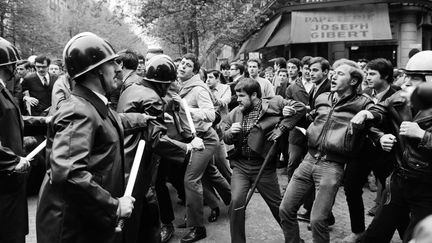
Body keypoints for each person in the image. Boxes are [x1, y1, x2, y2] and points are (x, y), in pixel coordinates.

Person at [36, 32, 155, 243]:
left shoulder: (92, 105)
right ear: (96, 71)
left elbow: (113, 122)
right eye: (111, 64)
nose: (118, 69)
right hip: (74, 230)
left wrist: (141, 118)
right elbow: (69, 174)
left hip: (88, 223)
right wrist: (114, 205)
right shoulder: (78, 111)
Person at [279, 59, 373, 243]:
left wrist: (369, 115)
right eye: (333, 72)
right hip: (308, 159)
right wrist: (292, 113)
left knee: (317, 219)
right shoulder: (323, 98)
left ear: (353, 81)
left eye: (340, 74)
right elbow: (311, 119)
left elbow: (377, 116)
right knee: (285, 209)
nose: (333, 75)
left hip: (332, 166)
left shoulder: (363, 103)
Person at [117, 55, 205, 243]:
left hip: (122, 157)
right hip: (139, 162)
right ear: (165, 84)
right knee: (143, 208)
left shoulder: (130, 89)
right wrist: (188, 146)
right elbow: (156, 140)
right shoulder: (153, 98)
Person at [351, 50, 432, 243]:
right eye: (407, 76)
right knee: (374, 235)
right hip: (399, 181)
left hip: (428, 187)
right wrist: (368, 115)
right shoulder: (401, 98)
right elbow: (381, 108)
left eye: (415, 78)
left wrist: (423, 135)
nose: (407, 82)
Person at [222, 78, 306, 243]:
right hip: (241, 166)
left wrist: (283, 127)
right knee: (237, 203)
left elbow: (300, 108)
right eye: (236, 95)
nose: (237, 99)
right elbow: (225, 135)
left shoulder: (275, 103)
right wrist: (230, 131)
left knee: (278, 207)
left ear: (254, 95)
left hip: (264, 166)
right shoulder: (236, 112)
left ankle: (294, 240)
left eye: (241, 95)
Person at [342, 58, 398, 243]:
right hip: (361, 151)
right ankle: (357, 230)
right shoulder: (365, 94)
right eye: (366, 73)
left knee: (394, 196)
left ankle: (406, 233)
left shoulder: (398, 96)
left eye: (372, 73)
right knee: (351, 187)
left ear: (387, 76)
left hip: (386, 155)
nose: (367, 77)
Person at [0, 37, 49, 243]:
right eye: (14, 65)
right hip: (4, 180)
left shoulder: (3, 89)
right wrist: (12, 161)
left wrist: (46, 121)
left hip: (10, 181)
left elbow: (15, 119)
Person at [175, 53, 223, 243]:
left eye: (187, 65)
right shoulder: (180, 86)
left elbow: (211, 115)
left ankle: (197, 227)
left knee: (191, 179)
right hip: (192, 139)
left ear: (194, 71)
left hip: (206, 139)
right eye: (181, 64)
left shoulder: (198, 89)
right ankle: (226, 202)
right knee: (205, 175)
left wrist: (187, 108)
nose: (182, 67)